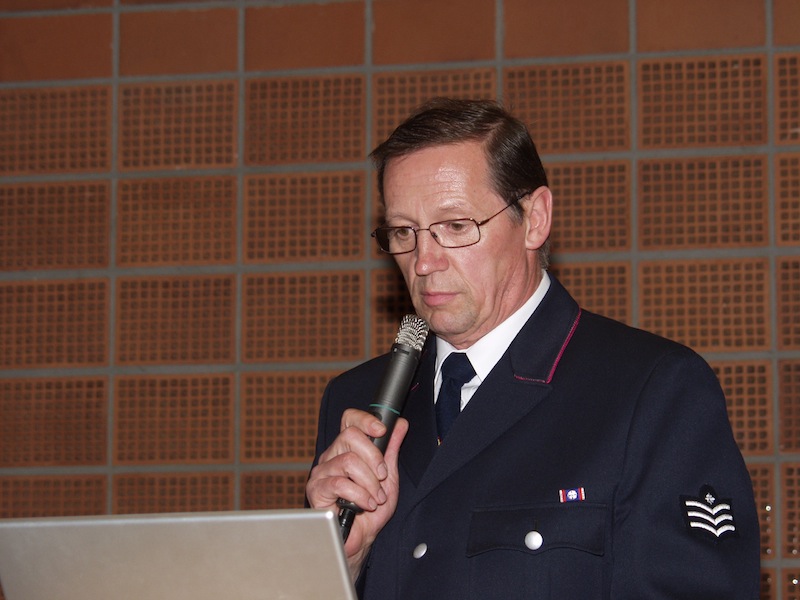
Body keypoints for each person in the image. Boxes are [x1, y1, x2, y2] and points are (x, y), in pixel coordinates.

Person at [305, 97, 760, 599]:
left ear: (535, 218)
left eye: (456, 226)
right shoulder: (356, 401)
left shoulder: (650, 391)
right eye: (403, 232)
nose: (424, 261)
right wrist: (342, 564)